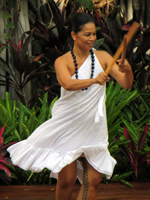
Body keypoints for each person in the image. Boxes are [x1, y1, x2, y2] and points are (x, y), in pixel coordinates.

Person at [8, 12, 133, 200]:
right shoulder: (62, 61)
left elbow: (126, 83)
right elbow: (67, 84)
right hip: (68, 123)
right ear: (74, 35)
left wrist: (128, 70)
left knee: (94, 179)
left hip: (93, 125)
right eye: (87, 34)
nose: (92, 38)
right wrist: (93, 80)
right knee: (66, 180)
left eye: (94, 34)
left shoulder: (104, 57)